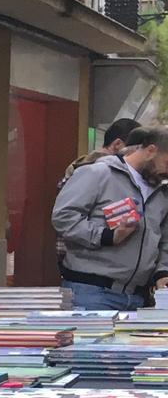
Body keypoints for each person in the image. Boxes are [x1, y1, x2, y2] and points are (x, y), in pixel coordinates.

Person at [51, 124, 168, 311]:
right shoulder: (98, 173)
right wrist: (106, 236)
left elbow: (163, 237)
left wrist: (161, 272)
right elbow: (64, 217)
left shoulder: (161, 191)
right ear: (151, 150)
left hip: (138, 297)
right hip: (91, 292)